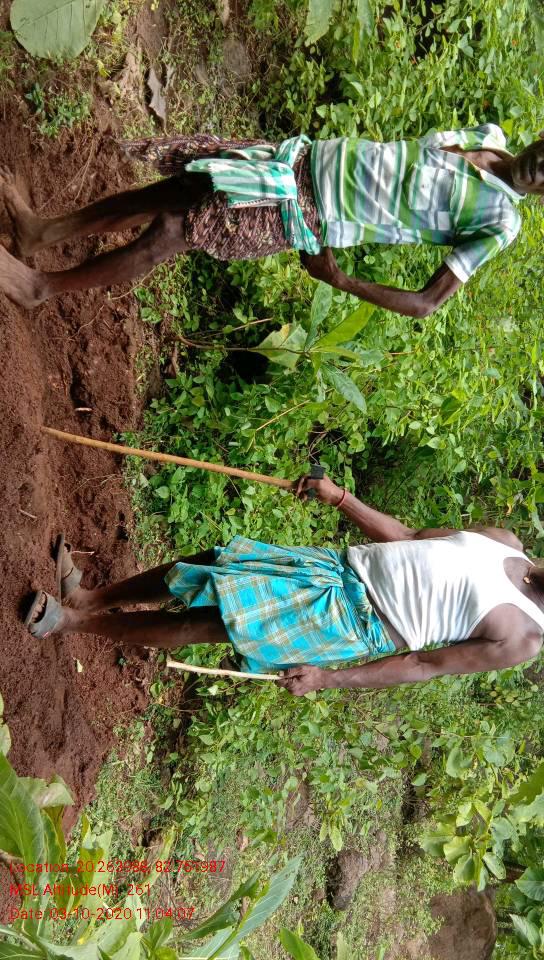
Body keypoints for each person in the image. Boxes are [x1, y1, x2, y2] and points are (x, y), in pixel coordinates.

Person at [23, 474, 544, 696]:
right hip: (336, 567)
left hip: (350, 621)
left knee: (212, 622)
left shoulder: (523, 637)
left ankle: (72, 622)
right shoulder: (506, 542)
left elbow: (424, 665)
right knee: (216, 563)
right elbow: (409, 537)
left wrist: (329, 679)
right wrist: (340, 498)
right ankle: (88, 597)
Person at [0, 124, 542, 316]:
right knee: (179, 187)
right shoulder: (487, 136)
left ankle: (40, 288)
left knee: (172, 229)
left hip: (304, 211)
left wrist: (341, 280)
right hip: (299, 159)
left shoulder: (500, 221)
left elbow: (427, 303)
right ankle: (42, 232)